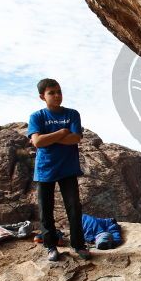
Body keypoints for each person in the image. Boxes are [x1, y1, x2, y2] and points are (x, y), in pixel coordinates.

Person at [27, 78, 90, 262]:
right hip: (45, 169)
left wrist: (48, 138)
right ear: (42, 96)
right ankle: (50, 246)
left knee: (74, 208)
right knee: (46, 210)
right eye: (51, 93)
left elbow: (75, 138)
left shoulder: (72, 114)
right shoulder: (37, 116)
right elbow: (38, 142)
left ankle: (78, 244)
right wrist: (62, 133)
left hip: (68, 169)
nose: (57, 96)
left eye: (59, 92)